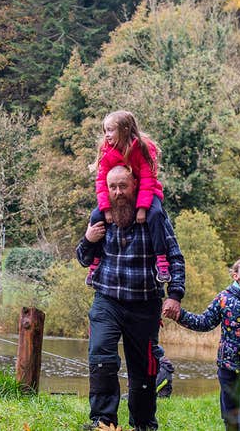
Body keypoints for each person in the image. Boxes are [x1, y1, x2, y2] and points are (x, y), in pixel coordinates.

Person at [76, 165, 186, 430]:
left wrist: (175, 294)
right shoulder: (102, 215)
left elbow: (175, 257)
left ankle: (144, 423)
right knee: (101, 355)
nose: (118, 192)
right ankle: (103, 421)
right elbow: (83, 258)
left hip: (145, 304)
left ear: (135, 184)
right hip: (107, 300)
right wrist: (89, 239)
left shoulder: (153, 216)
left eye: (123, 186)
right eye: (112, 187)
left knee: (144, 369)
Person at [172, 257, 240, 431]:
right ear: (235, 275)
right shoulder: (224, 299)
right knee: (230, 416)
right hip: (228, 367)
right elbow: (204, 322)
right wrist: (180, 315)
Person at [90, 110, 170, 285]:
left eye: (110, 130)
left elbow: (149, 179)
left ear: (125, 130)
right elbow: (101, 181)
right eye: (105, 131)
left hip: (145, 192)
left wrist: (142, 208)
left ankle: (161, 259)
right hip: (120, 194)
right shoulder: (106, 149)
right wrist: (106, 208)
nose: (107, 135)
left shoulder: (143, 147)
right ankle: (95, 262)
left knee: (155, 215)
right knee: (96, 217)